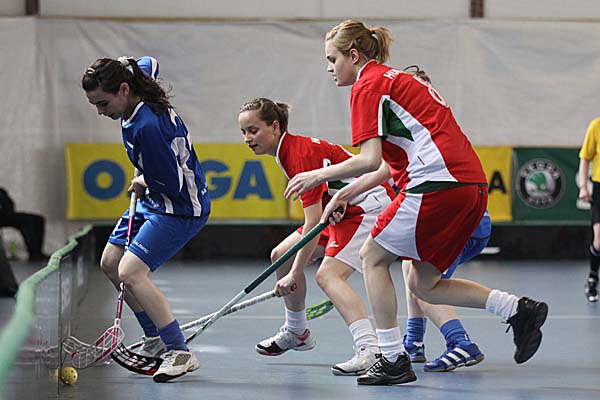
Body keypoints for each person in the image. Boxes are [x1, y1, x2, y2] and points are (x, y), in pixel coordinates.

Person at [284, 19, 548, 386]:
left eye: (332, 59)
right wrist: (343, 194)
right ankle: (518, 309)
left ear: (354, 56)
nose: (329, 68)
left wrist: (317, 176)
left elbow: (369, 159)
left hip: (437, 183)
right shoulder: (399, 81)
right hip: (470, 185)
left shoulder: (367, 85)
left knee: (372, 257)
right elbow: (388, 166)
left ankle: (392, 357)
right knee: (424, 283)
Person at [238, 97, 396, 376]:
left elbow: (312, 224)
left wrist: (295, 273)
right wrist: (292, 268)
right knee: (280, 256)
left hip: (367, 207)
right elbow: (318, 218)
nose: (247, 139)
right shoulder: (287, 152)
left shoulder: (299, 155)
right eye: (243, 132)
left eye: (253, 130)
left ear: (275, 127)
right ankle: (297, 332)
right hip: (338, 211)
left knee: (328, 275)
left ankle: (369, 348)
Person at [82, 56, 211, 382]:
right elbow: (149, 62)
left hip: (179, 207)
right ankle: (154, 337)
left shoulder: (149, 126)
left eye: (103, 103)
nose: (100, 111)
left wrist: (142, 179)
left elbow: (172, 183)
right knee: (111, 263)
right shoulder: (134, 82)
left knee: (131, 272)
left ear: (124, 90)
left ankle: (180, 351)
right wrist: (123, 63)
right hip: (153, 202)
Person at [579, 118, 600, 302]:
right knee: (599, 239)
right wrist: (583, 186)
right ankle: (593, 278)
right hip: (599, 188)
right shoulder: (596, 126)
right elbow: (585, 158)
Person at [0, 187, 48, 262]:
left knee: (37, 219)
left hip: (4, 215)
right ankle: (35, 254)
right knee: (26, 221)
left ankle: (35, 253)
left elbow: (10, 206)